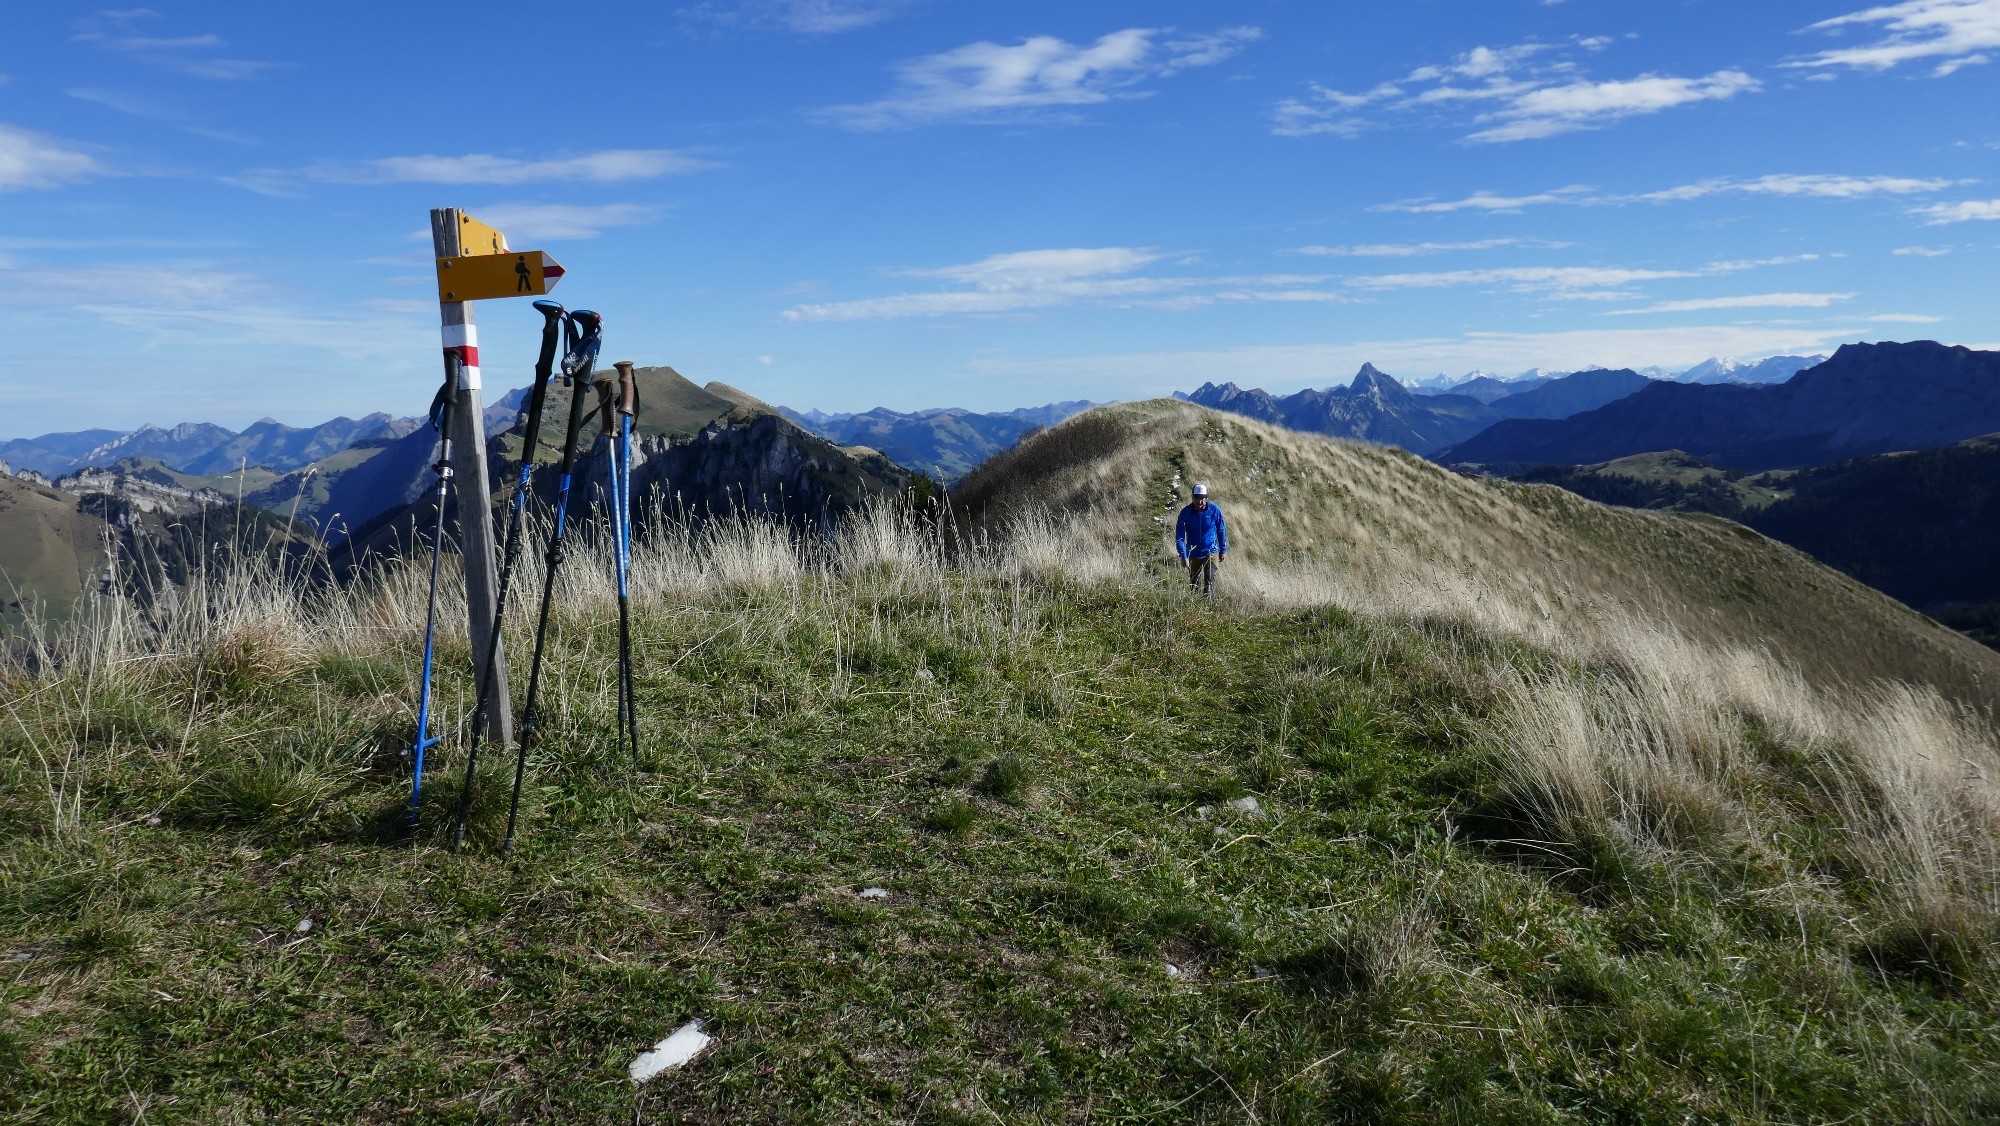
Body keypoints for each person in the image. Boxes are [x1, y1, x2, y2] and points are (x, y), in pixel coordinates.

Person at [1175, 482, 1227, 595]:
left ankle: (1208, 607)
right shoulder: (1185, 513)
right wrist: (1183, 555)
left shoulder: (1214, 509)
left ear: (1206, 497)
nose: (1200, 501)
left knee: (1209, 579)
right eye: (1197, 498)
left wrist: (1223, 550)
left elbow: (1221, 529)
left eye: (1203, 498)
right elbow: (1179, 536)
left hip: (1211, 551)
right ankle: (1196, 608)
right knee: (1194, 584)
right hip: (1193, 553)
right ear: (1192, 497)